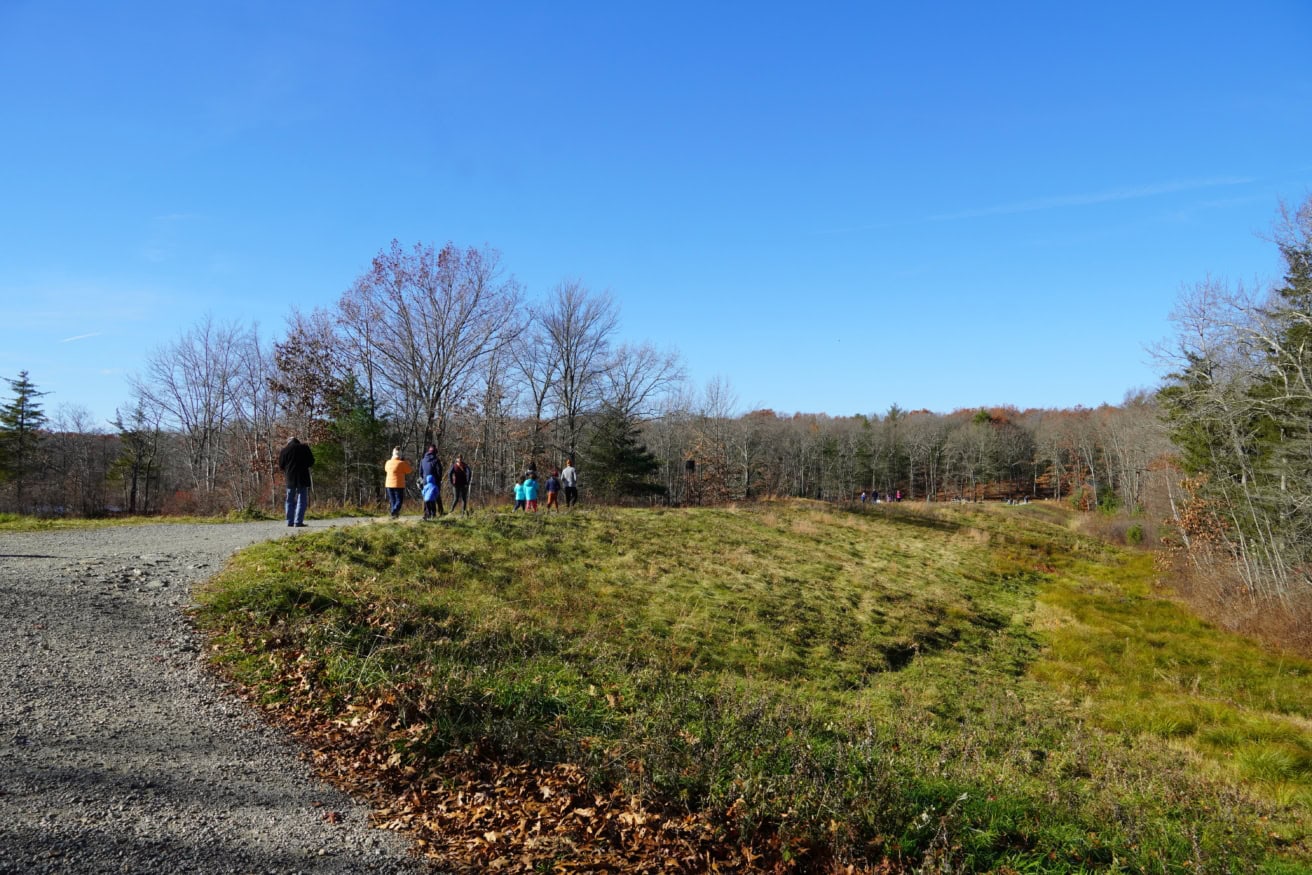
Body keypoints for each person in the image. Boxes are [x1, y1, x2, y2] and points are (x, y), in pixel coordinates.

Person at [277, 436, 314, 527]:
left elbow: (281, 466)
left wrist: (288, 468)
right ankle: (298, 522)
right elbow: (311, 462)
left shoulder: (284, 450)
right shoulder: (304, 448)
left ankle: (289, 521)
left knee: (289, 499)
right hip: (302, 477)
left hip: (290, 478)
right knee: (301, 500)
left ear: (288, 442)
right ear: (298, 441)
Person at [384, 448, 411, 519]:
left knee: (393, 500)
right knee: (399, 500)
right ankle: (394, 511)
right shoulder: (401, 463)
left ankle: (394, 516)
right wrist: (404, 461)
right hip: (398, 484)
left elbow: (386, 469)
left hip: (389, 484)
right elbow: (408, 470)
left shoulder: (388, 462)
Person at [419, 444, 445, 516]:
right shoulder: (436, 460)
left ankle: (426, 512)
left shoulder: (423, 460)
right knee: (437, 496)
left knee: (426, 496)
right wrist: (439, 480)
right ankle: (440, 512)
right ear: (435, 452)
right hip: (434, 481)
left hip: (425, 481)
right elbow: (439, 471)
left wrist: (424, 479)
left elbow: (420, 472)